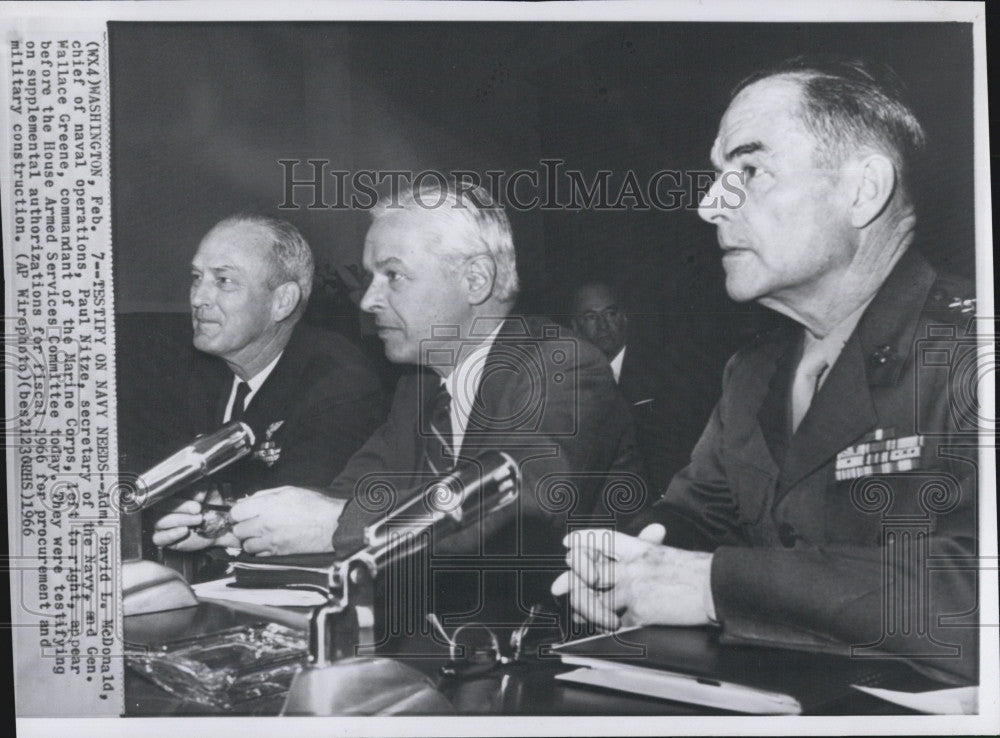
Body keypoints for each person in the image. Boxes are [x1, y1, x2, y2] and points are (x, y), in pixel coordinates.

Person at [555, 56, 978, 684]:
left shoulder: (975, 346)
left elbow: (977, 593)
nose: (708, 206)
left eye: (748, 170)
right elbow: (699, 514)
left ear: (865, 190)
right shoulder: (752, 374)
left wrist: (709, 585)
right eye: (717, 175)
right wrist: (629, 562)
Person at [224, 183, 640, 619]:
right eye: (371, 278)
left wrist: (335, 524)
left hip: (556, 652)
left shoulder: (562, 366)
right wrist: (238, 524)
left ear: (476, 279)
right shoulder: (419, 387)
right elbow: (352, 493)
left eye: (394, 276)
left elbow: (517, 512)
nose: (368, 300)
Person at [150, 214, 386, 557]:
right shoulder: (193, 368)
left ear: (283, 301)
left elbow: (298, 522)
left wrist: (218, 521)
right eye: (196, 277)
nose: (199, 297)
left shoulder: (339, 382)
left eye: (224, 280)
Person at [571, 281, 705, 497]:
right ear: (576, 328)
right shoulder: (574, 386)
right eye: (590, 317)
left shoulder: (665, 373)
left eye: (610, 313)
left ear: (625, 317)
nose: (603, 325)